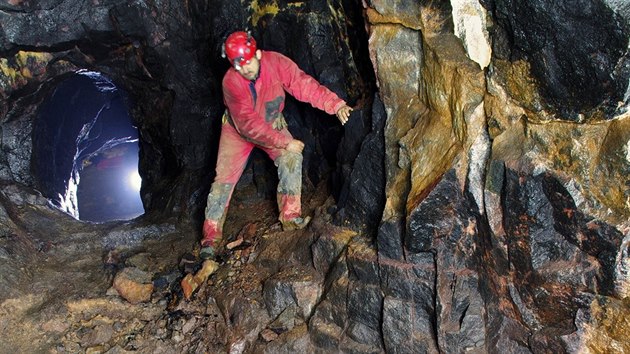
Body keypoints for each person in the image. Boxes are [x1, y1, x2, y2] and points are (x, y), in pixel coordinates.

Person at [200, 31, 353, 260]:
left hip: (271, 120)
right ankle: (210, 239)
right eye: (238, 66)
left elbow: (304, 85)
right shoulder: (231, 82)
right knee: (223, 181)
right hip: (237, 130)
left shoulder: (277, 63)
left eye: (248, 62)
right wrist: (285, 141)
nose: (245, 70)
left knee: (291, 157)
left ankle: (291, 217)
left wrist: (336, 104)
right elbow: (248, 125)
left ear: (258, 54)